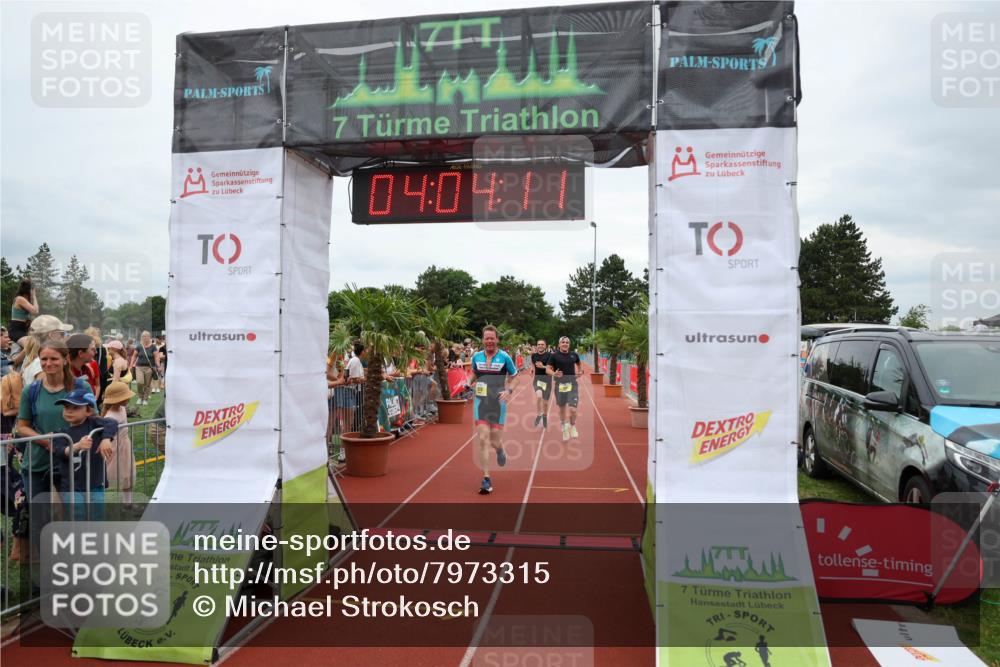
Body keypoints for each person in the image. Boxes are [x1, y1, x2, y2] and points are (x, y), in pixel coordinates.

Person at [16, 340, 93, 506]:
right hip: (38, 462)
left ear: (65, 359)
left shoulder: (81, 387)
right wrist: (46, 441)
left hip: (74, 461)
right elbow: (21, 427)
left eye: (54, 359)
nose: (48, 363)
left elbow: (94, 420)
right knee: (40, 518)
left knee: (74, 515)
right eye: (44, 359)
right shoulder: (31, 390)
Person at [52, 388, 116, 521]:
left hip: (96, 483)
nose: (69, 411)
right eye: (66, 407)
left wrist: (106, 439)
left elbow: (112, 422)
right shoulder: (60, 432)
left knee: (97, 517)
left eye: (75, 407)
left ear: (88, 411)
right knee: (77, 517)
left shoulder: (94, 424)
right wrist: (77, 446)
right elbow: (60, 452)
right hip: (72, 486)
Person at [470, 325, 516, 495]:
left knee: (494, 441)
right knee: (483, 438)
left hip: (498, 404)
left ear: (497, 339)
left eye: (492, 338)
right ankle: (486, 478)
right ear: (483, 340)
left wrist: (509, 390)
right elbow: (474, 373)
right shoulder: (476, 357)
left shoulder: (505, 357)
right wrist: (468, 383)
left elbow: (514, 377)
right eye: (486, 338)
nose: (489, 341)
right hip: (481, 403)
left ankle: (500, 450)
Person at [101, 381, 136, 509]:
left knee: (128, 474)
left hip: (125, 445)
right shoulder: (110, 416)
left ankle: (128, 503)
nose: (128, 398)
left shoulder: (122, 409)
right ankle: (100, 503)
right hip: (115, 448)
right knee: (108, 476)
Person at [547, 336, 584, 441]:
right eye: (563, 342)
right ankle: (564, 427)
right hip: (560, 386)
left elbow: (579, 364)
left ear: (569, 344)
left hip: (572, 385)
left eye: (567, 342)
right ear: (559, 344)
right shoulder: (554, 356)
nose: (565, 344)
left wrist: (580, 371)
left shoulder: (574, 355)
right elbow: (548, 370)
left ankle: (572, 426)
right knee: (562, 409)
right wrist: (554, 373)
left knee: (572, 410)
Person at [129, 331, 159, 406]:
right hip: (139, 367)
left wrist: (158, 365)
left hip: (149, 367)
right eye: (143, 336)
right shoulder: (139, 346)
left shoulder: (153, 346)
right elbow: (134, 356)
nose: (145, 338)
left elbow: (156, 356)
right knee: (140, 382)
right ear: (141, 337)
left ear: (149, 337)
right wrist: (131, 364)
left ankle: (145, 399)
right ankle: (140, 397)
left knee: (147, 384)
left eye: (147, 336)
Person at [67, 333, 100, 399]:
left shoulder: (87, 370)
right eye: (92, 349)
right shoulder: (64, 373)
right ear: (81, 353)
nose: (96, 352)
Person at [530, 339, 553, 428]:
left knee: (545, 402)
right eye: (538, 344)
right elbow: (532, 363)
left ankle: (545, 416)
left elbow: (551, 368)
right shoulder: (534, 356)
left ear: (545, 346)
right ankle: (539, 414)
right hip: (537, 380)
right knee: (539, 396)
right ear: (537, 346)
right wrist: (532, 369)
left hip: (547, 380)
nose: (540, 346)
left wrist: (543, 366)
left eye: (542, 344)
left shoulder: (550, 355)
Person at [8, 279, 39, 344]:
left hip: (23, 329)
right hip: (16, 330)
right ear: (29, 290)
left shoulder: (23, 300)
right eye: (32, 290)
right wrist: (34, 296)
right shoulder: (20, 299)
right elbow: (35, 311)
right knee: (31, 345)